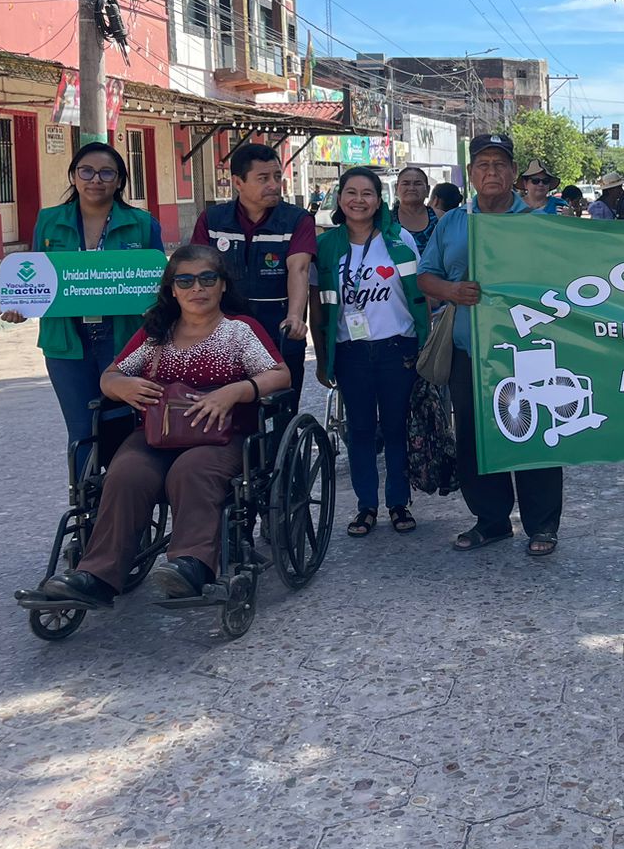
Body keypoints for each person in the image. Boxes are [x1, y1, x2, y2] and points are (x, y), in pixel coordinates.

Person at [36, 245, 290, 606]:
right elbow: (111, 376)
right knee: (125, 474)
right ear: (172, 289)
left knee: (191, 470)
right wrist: (122, 385)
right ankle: (96, 575)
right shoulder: (157, 332)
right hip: (157, 435)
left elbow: (280, 375)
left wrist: (235, 391)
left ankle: (191, 564)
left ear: (221, 286)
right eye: (184, 280)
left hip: (222, 436)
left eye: (207, 279)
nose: (196, 288)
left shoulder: (239, 332)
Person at [417, 133, 565, 556]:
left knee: (536, 429)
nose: (492, 172)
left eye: (501, 164)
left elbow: (563, 280)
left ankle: (543, 525)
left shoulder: (538, 225)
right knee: (474, 436)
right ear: (471, 173)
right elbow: (426, 276)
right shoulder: (451, 223)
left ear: (514, 174)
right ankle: (492, 520)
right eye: (483, 164)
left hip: (527, 347)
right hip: (469, 351)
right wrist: (450, 290)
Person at [0, 142, 164, 454]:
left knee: (123, 427)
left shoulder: (143, 224)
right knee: (80, 432)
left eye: (106, 173)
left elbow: (158, 285)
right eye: (86, 171)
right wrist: (21, 305)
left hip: (124, 340)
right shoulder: (48, 220)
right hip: (66, 341)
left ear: (119, 181)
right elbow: (37, 274)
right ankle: (88, 500)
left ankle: (121, 496)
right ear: (73, 176)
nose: (95, 180)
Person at [313, 167, 432, 537]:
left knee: (396, 429)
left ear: (379, 200)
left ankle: (399, 502)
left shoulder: (400, 241)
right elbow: (319, 307)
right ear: (339, 199)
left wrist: (425, 347)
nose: (359, 200)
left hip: (398, 350)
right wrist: (322, 356)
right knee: (361, 432)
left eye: (367, 193)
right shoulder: (327, 246)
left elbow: (420, 297)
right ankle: (366, 507)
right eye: (351, 192)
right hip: (351, 352)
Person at [191, 143, 315, 404]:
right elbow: (198, 271)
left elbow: (299, 268)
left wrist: (294, 316)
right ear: (238, 182)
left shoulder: (297, 220)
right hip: (224, 331)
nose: (274, 184)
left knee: (280, 412)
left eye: (277, 177)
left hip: (280, 330)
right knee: (228, 413)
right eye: (263, 178)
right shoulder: (212, 220)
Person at [394, 166, 438, 252]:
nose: (411, 188)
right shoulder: (386, 220)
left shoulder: (440, 218)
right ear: (396, 189)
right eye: (406, 183)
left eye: (418, 184)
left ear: (428, 190)